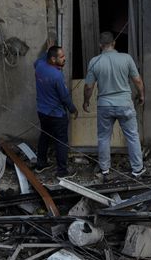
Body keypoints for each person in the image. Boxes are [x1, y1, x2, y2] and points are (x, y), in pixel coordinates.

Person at [83, 31, 145, 180]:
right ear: (114, 43)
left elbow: (89, 86)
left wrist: (86, 101)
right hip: (124, 104)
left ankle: (105, 169)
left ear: (100, 45)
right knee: (132, 136)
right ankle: (137, 169)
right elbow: (137, 80)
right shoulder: (126, 58)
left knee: (104, 138)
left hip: (104, 105)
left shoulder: (94, 62)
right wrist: (142, 94)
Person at [34, 44, 78, 177]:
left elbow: (39, 60)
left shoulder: (39, 65)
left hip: (42, 112)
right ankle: (62, 171)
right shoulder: (56, 75)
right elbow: (64, 97)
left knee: (45, 136)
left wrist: (47, 51)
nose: (65, 58)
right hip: (57, 115)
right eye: (61, 57)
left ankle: (40, 164)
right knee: (61, 141)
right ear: (53, 59)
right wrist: (73, 109)